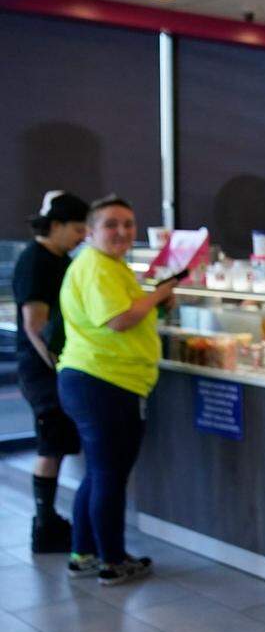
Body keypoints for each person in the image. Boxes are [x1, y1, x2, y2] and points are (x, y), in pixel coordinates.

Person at [57, 195, 175, 585]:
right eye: (111, 224)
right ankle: (112, 560)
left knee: (99, 472)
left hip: (99, 380)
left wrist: (155, 302)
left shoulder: (108, 265)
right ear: (90, 231)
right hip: (103, 382)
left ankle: (83, 553)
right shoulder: (96, 267)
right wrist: (158, 294)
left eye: (128, 223)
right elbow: (119, 320)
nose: (122, 231)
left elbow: (129, 311)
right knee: (110, 474)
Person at [13, 191, 89, 553]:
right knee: (51, 443)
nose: (82, 236)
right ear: (56, 225)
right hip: (42, 368)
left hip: (59, 364)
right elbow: (34, 324)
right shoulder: (36, 261)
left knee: (57, 443)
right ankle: (44, 525)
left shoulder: (61, 259)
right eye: (77, 228)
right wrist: (59, 366)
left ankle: (50, 522)